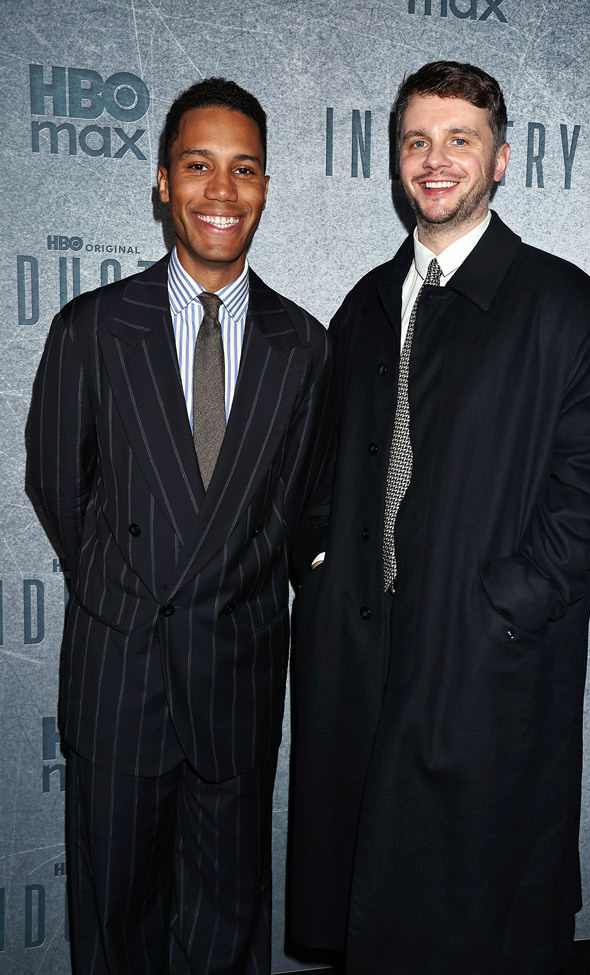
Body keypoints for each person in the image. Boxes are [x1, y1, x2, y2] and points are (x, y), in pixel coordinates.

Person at [287, 61, 590, 975]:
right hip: (360, 656)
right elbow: (318, 466)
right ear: (396, 159)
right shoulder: (365, 306)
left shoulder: (567, 308)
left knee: (479, 918)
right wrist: (320, 566)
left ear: (502, 160)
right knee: (375, 912)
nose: (434, 159)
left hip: (489, 662)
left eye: (459, 139)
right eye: (416, 140)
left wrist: (504, 606)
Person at [26, 77, 330, 974]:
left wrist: (223, 593)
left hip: (235, 678)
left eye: (245, 168)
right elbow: (59, 486)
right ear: (163, 181)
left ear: (266, 186)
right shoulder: (91, 329)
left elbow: (291, 507)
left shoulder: (304, 346)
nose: (221, 190)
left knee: (226, 929)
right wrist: (129, 590)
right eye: (199, 166)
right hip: (121, 675)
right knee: (116, 925)